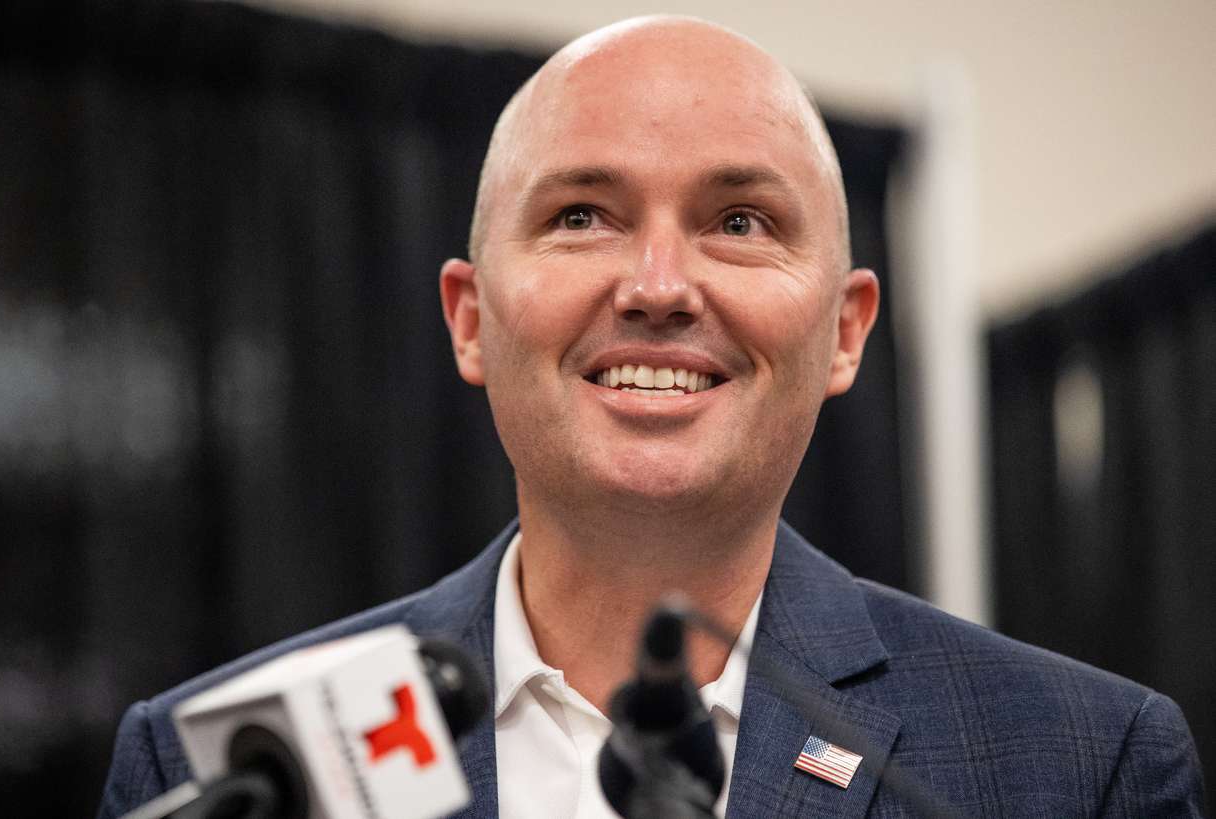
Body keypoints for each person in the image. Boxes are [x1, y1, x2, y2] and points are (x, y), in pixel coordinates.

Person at [98, 15, 1205, 818]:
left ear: (847, 332)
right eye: (583, 215)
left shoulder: (1082, 766)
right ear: (471, 319)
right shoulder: (221, 773)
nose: (660, 285)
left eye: (739, 220)